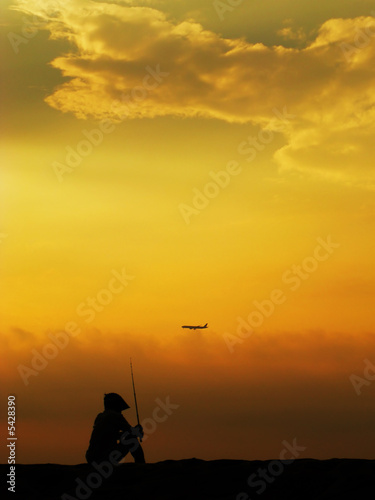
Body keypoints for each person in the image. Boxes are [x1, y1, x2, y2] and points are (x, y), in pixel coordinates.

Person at [86, 393, 145, 465]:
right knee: (132, 439)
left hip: (91, 458)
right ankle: (141, 465)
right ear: (116, 405)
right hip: (104, 459)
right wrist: (138, 430)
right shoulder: (114, 415)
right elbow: (132, 432)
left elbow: (109, 435)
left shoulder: (100, 417)